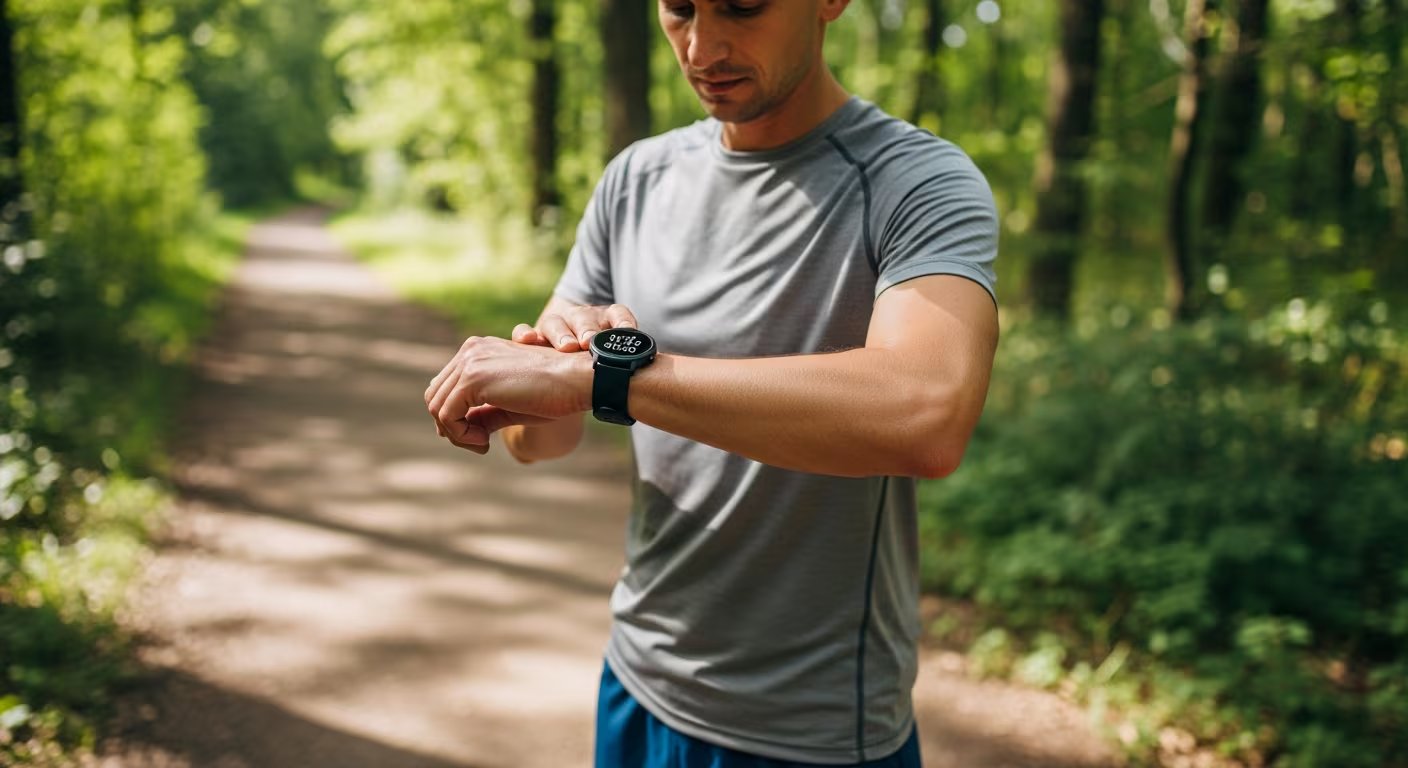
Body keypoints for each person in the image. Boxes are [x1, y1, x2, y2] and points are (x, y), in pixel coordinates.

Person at [424, 0, 999, 765]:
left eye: (741, 6)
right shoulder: (636, 180)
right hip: (637, 680)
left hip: (811, 727)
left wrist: (608, 378)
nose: (702, 46)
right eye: (679, 8)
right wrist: (546, 366)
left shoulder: (915, 180)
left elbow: (927, 413)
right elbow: (542, 441)